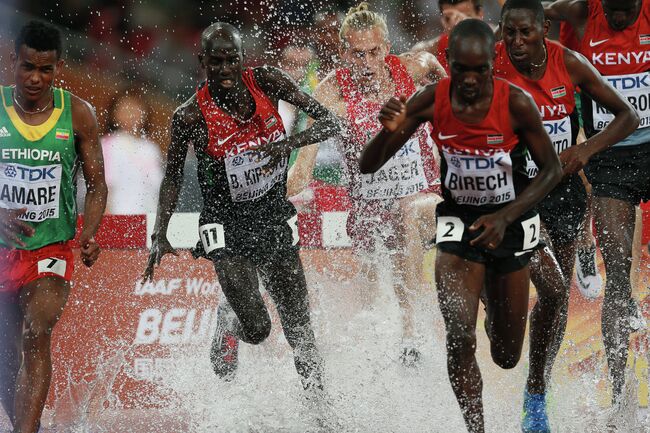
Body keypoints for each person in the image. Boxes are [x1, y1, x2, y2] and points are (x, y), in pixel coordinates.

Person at [360, 19, 562, 433]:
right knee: (459, 336)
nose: (470, 80)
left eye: (480, 70)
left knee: (506, 354)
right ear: (447, 64)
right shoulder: (430, 100)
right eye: (462, 70)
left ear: (493, 65)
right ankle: (476, 428)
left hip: (510, 219)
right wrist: (388, 133)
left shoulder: (517, 103)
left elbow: (551, 170)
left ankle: (491, 296)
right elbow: (368, 165)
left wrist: (505, 216)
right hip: (459, 223)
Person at [141, 23, 340, 394]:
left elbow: (330, 121)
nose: (224, 70)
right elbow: (172, 178)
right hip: (226, 226)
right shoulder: (189, 116)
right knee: (259, 329)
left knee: (300, 328)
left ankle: (322, 412)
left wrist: (288, 145)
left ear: (242, 59)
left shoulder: (267, 81)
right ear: (202, 61)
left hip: (272, 215)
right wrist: (160, 234)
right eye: (215, 62)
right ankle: (230, 318)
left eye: (231, 61)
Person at [495, 0, 639, 430]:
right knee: (550, 291)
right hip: (517, 195)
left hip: (565, 195)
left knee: (555, 305)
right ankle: (534, 387)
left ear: (544, 28)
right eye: (509, 34)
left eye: (526, 33)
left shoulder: (569, 62)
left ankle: (537, 390)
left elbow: (627, 115)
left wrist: (585, 150)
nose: (517, 43)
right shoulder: (492, 67)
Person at [288, 2, 446, 365]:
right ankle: (382, 369)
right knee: (371, 303)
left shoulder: (416, 67)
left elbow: (460, 99)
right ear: (344, 53)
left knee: (409, 213)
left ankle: (411, 337)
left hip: (425, 198)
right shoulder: (331, 92)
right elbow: (303, 168)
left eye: (374, 52)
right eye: (357, 54)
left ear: (387, 48)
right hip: (369, 215)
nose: (367, 63)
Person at [0, 21, 107, 433]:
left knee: (36, 331)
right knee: (7, 360)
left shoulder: (78, 112)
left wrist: (90, 232)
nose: (35, 78)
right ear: (13, 61)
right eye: (28, 67)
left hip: (51, 249)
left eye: (46, 70)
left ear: (58, 68)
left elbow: (97, 185)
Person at [543, 0, 650, 406]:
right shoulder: (578, 13)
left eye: (626, 10)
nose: (618, 18)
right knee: (619, 282)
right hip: (609, 159)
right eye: (612, 10)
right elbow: (538, 16)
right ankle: (621, 397)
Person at [102, 91, 164, 214]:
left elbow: (158, 188)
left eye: (135, 108)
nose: (131, 114)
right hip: (121, 217)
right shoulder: (107, 144)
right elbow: (103, 188)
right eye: (125, 108)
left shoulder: (151, 148)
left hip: (149, 218)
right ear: (114, 114)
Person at [412, 0, 487, 73]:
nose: (457, 23)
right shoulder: (433, 49)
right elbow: (410, 57)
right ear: (442, 20)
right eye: (449, 18)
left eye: (467, 16)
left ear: (480, 14)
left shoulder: (496, 38)